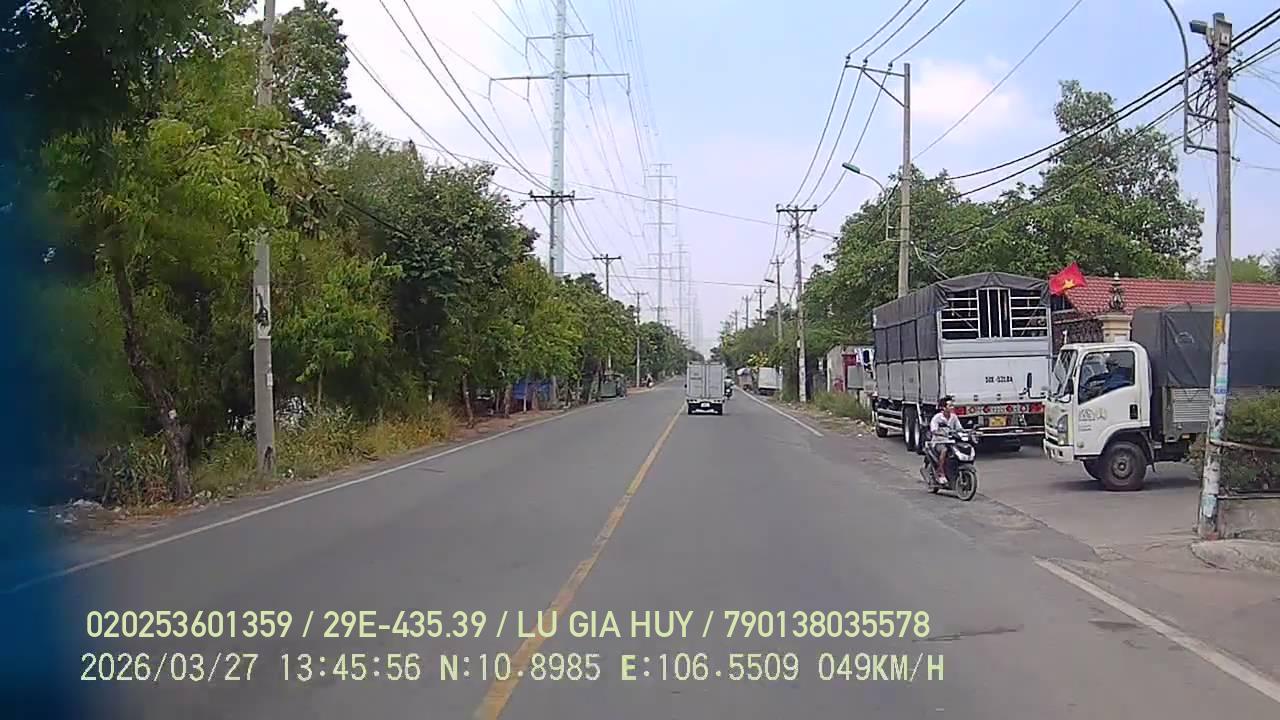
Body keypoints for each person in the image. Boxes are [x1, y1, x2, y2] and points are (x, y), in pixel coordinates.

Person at [928, 396, 963, 484]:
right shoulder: (937, 418)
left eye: (952, 405)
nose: (952, 407)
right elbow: (933, 430)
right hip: (939, 442)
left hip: (951, 441)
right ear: (944, 408)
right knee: (944, 450)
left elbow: (959, 429)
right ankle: (940, 472)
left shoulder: (954, 417)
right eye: (950, 406)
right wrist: (942, 434)